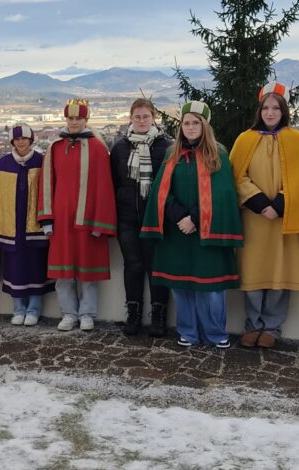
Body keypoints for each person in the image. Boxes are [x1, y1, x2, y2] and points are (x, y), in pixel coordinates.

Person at [141, 101, 242, 348]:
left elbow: (222, 192)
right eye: (186, 123)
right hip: (178, 232)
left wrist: (194, 219)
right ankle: (188, 332)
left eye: (196, 122)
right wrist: (180, 217)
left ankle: (215, 333)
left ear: (205, 125)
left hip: (207, 231)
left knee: (211, 287)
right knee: (181, 285)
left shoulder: (217, 153)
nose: (190, 127)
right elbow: (162, 192)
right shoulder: (171, 153)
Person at [229, 83, 299, 348]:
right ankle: (252, 325)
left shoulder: (296, 139)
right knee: (252, 274)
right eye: (266, 107)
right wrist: (261, 203)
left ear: (284, 111)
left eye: (276, 108)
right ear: (259, 110)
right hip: (255, 219)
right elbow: (237, 176)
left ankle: (272, 328)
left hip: (284, 220)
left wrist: (279, 205)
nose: (271, 112)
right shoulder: (245, 139)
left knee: (279, 275)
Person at [38, 98, 117, 332]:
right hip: (61, 221)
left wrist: (100, 222)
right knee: (63, 273)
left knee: (87, 272)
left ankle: (87, 313)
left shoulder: (98, 149)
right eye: (70, 118)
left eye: (78, 118)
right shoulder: (54, 148)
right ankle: (69, 313)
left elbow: (104, 187)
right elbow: (46, 184)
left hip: (88, 220)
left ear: (86, 120)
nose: (74, 122)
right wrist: (47, 219)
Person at [110, 98, 172, 337]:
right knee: (133, 265)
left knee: (156, 267)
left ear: (153, 117)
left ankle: (158, 316)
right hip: (127, 217)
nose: (142, 121)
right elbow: (113, 183)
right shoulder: (119, 148)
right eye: (138, 117)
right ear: (130, 118)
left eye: (146, 116)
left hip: (156, 218)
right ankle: (133, 313)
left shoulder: (167, 147)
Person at [0, 123, 54, 326]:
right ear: (12, 142)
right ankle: (18, 309)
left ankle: (34, 309)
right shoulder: (5, 163)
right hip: (12, 228)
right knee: (14, 268)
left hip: (35, 226)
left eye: (24, 139)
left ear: (31, 140)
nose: (21, 142)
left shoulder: (41, 161)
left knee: (36, 267)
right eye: (17, 139)